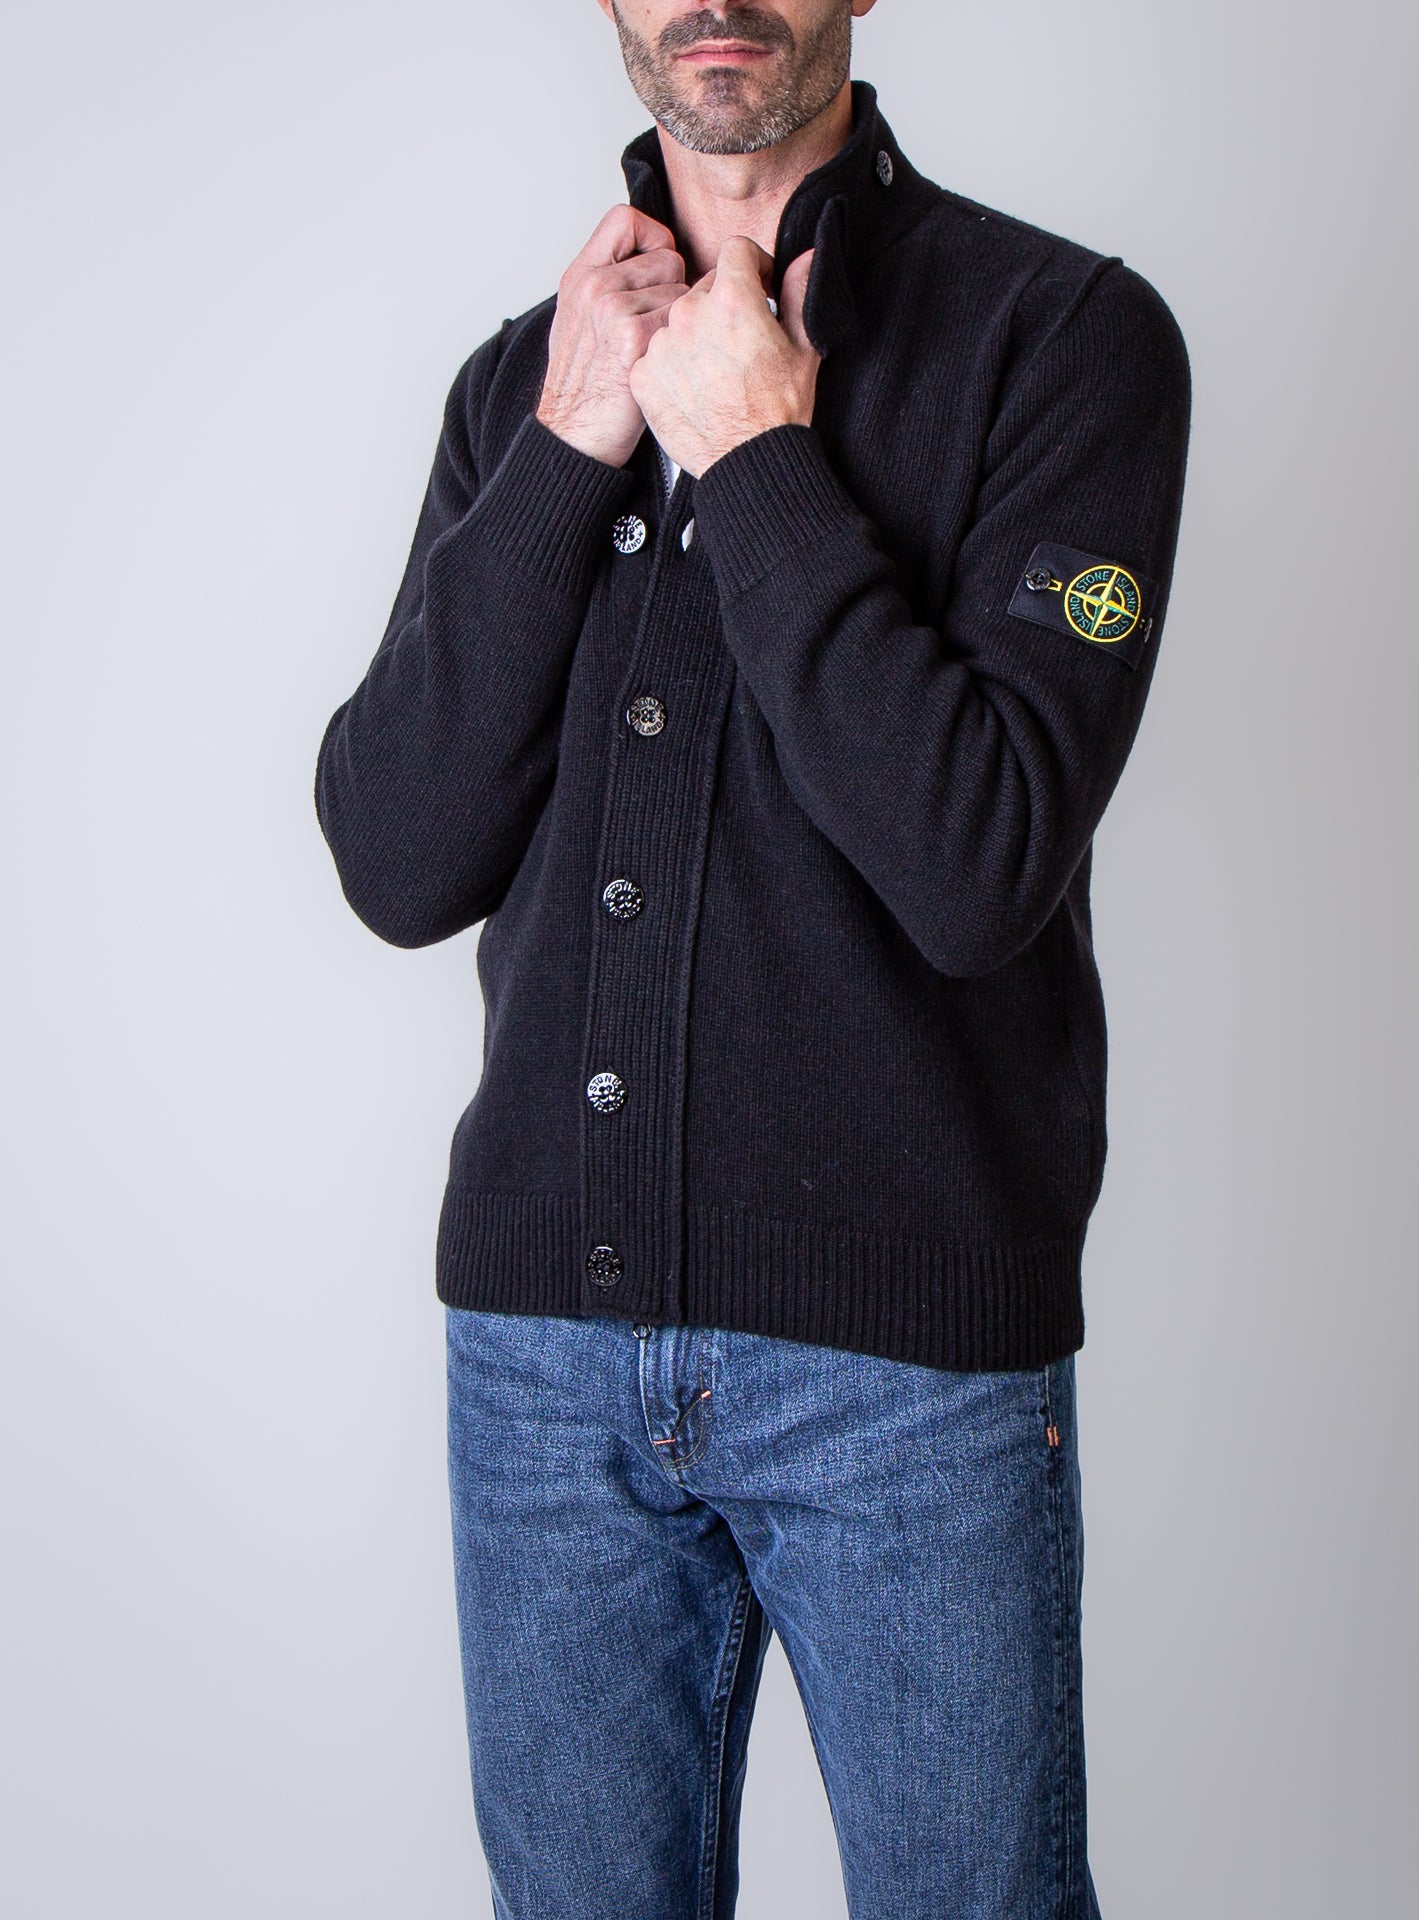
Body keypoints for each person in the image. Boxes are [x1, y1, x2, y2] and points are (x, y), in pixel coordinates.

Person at [314, 2, 1191, 1913]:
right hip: (543, 1365)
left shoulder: (1064, 337)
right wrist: (571, 449)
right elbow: (394, 858)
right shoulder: (525, 382)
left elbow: (978, 864)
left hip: (909, 1376)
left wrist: (756, 458)